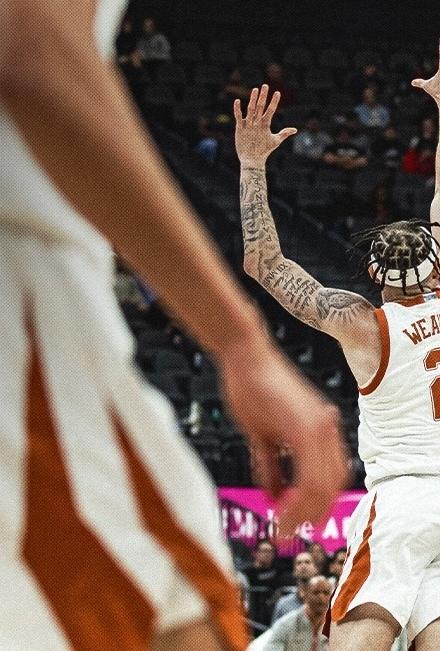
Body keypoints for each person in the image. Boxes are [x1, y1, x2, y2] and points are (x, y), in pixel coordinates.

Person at [0, 3, 347, 648]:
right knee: (183, 608)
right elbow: (35, 51)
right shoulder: (368, 319)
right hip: (21, 283)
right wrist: (243, 343)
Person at [234, 31, 440, 651]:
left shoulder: (362, 322)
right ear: (435, 262)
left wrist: (251, 166)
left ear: (377, 275)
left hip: (403, 504)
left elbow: (263, 262)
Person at [253, 576, 335, 651]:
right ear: (305, 595)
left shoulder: (335, 627)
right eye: (316, 592)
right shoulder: (285, 624)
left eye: (326, 593)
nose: (321, 597)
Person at [271, 552, 320, 623]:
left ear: (316, 569)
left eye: (307, 562)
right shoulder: (283, 604)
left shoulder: (325, 603)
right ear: (294, 571)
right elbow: (275, 632)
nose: (303, 566)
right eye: (299, 563)